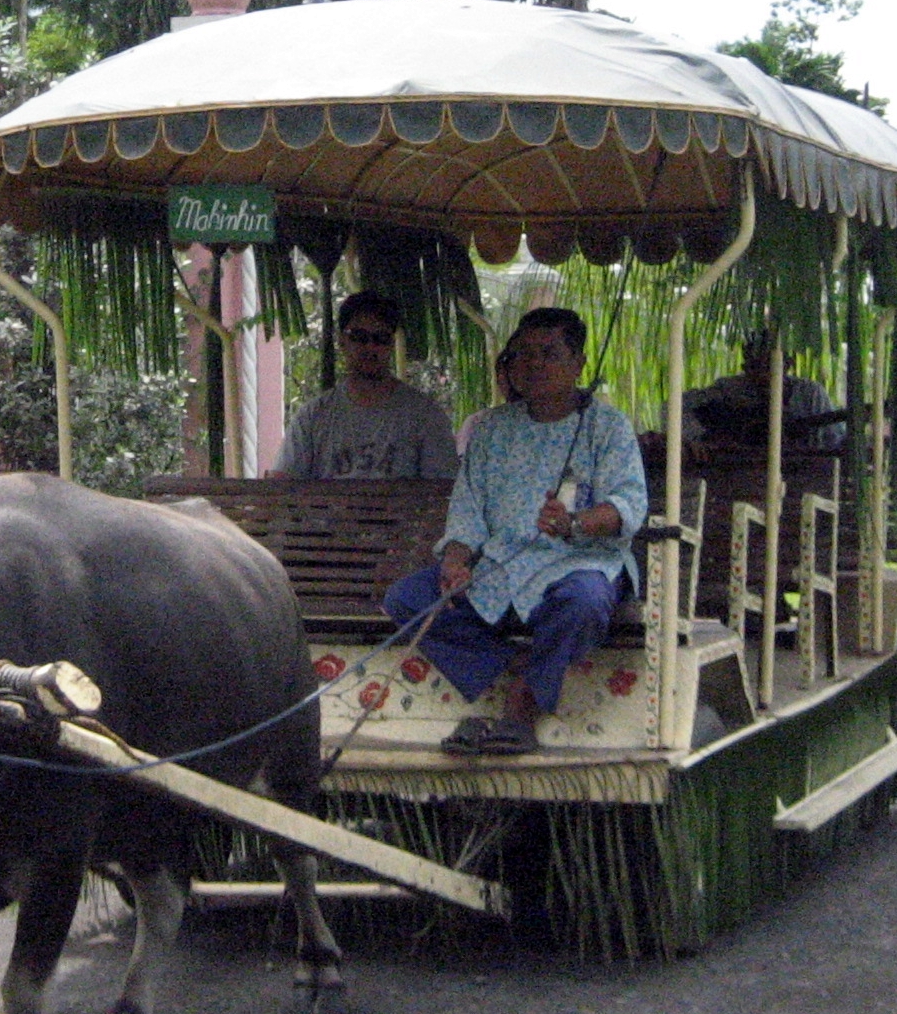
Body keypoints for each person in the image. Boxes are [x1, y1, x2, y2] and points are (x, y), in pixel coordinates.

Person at [383, 307, 648, 755]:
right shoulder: (492, 429)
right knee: (408, 599)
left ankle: (523, 702)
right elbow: (467, 509)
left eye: (549, 353)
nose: (535, 365)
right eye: (524, 354)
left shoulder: (608, 425)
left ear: (579, 362)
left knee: (583, 603)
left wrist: (576, 523)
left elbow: (629, 506)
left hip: (579, 564)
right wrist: (455, 560)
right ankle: (519, 668)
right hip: (500, 570)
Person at [275, 292, 459, 480]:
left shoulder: (425, 416)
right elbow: (282, 488)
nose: (370, 347)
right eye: (359, 337)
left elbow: (443, 493)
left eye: (381, 338)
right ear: (342, 341)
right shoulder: (313, 417)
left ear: (391, 345)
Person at [682, 330, 843, 451]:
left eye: (769, 366)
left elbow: (833, 440)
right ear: (745, 367)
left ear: (788, 365)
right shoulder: (729, 389)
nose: (762, 375)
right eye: (754, 367)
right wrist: (698, 438)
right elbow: (676, 406)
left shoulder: (810, 393)